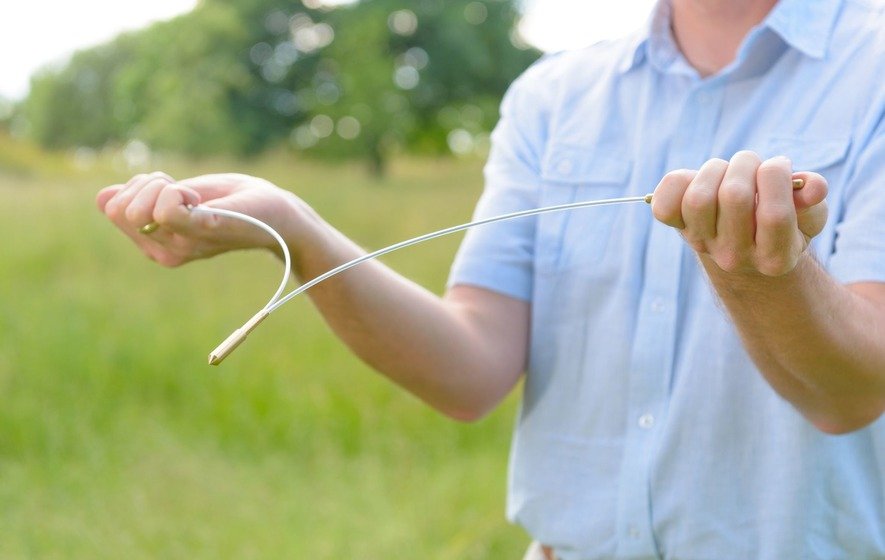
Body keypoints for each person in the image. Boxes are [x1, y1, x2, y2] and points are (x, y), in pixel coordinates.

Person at [97, 0, 885, 558]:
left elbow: (851, 392)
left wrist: (760, 276)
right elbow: (468, 370)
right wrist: (295, 231)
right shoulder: (553, 98)